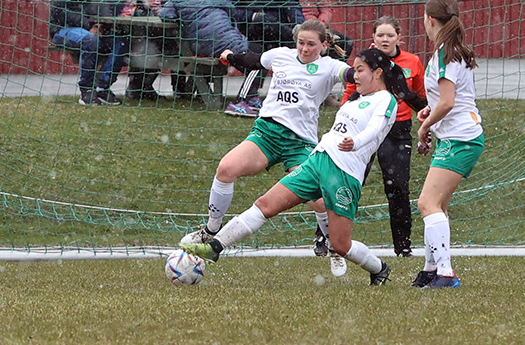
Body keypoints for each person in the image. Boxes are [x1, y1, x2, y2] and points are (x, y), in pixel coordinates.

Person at [180, 48, 416, 286]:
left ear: (377, 73)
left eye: (360, 70)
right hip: (318, 161)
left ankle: (379, 268)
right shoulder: (358, 97)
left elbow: (374, 129)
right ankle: (215, 247)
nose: (354, 76)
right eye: (354, 70)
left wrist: (356, 142)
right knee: (265, 205)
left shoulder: (386, 100)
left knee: (340, 244)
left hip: (344, 175)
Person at [185, 21, 351, 257]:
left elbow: (351, 74)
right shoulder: (281, 56)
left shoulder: (330, 66)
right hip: (266, 134)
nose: (304, 48)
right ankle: (211, 230)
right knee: (226, 169)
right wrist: (231, 57)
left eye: (311, 44)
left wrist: (368, 72)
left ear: (324, 45)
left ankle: (331, 245)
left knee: (320, 201)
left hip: (300, 143)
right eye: (301, 43)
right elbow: (252, 60)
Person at [413, 0, 483, 289]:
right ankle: (431, 269)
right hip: (458, 136)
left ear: (429, 20)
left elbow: (449, 102)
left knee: (427, 203)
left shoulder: (445, 54)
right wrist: (431, 108)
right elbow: (447, 98)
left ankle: (446, 273)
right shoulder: (453, 50)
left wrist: (424, 126)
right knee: (436, 205)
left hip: (460, 138)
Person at [341, 18, 425, 257]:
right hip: (364, 130)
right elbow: (350, 91)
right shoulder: (365, 61)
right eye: (380, 36)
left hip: (397, 132)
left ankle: (403, 246)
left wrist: (425, 128)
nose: (385, 40)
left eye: (390, 35)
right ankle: (327, 238)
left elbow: (418, 96)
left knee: (398, 188)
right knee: (349, 182)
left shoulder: (413, 62)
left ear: (399, 38)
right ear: (373, 38)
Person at [226, 0, 305, 116]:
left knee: (304, 51)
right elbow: (230, 9)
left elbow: (294, 7)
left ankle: (295, 98)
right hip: (252, 33)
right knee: (259, 56)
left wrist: (299, 26)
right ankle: (242, 99)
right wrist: (252, 16)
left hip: (279, 36)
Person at [48, 0, 126, 106]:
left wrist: (100, 24)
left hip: (95, 27)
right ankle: (86, 91)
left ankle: (103, 88)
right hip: (62, 30)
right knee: (90, 40)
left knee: (120, 42)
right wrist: (88, 25)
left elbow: (106, 4)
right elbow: (59, 12)